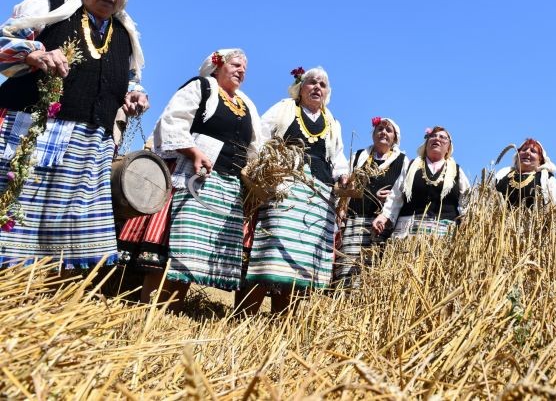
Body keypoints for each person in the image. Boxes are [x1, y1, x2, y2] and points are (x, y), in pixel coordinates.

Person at [0, 0, 148, 269]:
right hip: (32, 131)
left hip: (90, 145)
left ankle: (47, 292)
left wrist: (134, 95)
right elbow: (4, 44)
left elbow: (129, 80)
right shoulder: (51, 5)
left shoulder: (124, 34)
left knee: (66, 239)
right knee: (13, 215)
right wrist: (34, 54)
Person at [128, 49, 261, 309]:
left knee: (194, 252)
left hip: (226, 184)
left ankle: (173, 310)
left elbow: (255, 146)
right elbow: (173, 121)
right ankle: (149, 309)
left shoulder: (247, 105)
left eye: (244, 68)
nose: (241, 71)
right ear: (217, 66)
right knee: (174, 245)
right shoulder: (202, 87)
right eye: (236, 65)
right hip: (192, 174)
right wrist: (193, 151)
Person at [243, 66, 348, 314]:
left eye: (322, 85)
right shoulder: (284, 109)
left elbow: (337, 157)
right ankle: (245, 314)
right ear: (300, 88)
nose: (317, 87)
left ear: (327, 92)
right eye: (312, 82)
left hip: (317, 196)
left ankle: (282, 318)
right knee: (272, 248)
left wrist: (344, 176)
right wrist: (260, 167)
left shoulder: (332, 122)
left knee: (300, 257)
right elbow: (260, 136)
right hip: (284, 189)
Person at [333, 117, 409, 285]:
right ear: (373, 134)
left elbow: (404, 192)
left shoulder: (403, 161)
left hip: (381, 225)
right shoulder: (358, 156)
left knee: (373, 275)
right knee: (348, 272)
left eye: (388, 130)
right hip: (355, 222)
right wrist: (342, 205)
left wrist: (390, 197)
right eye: (379, 129)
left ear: (395, 138)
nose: (383, 132)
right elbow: (343, 184)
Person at [377, 126, 470, 238]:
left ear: (448, 148)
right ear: (426, 144)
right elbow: (395, 197)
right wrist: (384, 216)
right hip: (408, 236)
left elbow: (466, 202)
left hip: (444, 238)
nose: (437, 138)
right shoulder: (410, 167)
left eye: (442, 137)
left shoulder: (457, 171)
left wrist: (467, 224)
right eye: (433, 136)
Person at [494, 138, 556, 216]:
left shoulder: (546, 178)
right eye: (524, 150)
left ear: (540, 160)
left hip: (536, 223)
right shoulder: (502, 174)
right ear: (517, 155)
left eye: (533, 151)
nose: (527, 152)